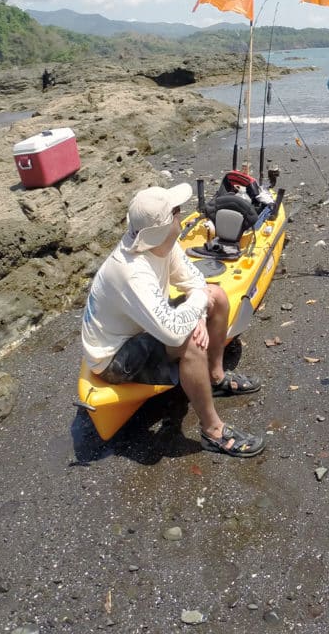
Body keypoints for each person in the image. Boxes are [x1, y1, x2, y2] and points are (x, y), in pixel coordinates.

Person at [81, 184, 266, 457]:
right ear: (162, 227)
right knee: (190, 341)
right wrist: (195, 314)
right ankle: (212, 431)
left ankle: (216, 377)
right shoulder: (130, 271)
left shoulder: (163, 246)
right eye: (177, 212)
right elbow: (175, 335)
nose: (182, 215)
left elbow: (197, 284)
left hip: (144, 326)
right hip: (113, 357)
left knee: (217, 295)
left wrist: (199, 314)